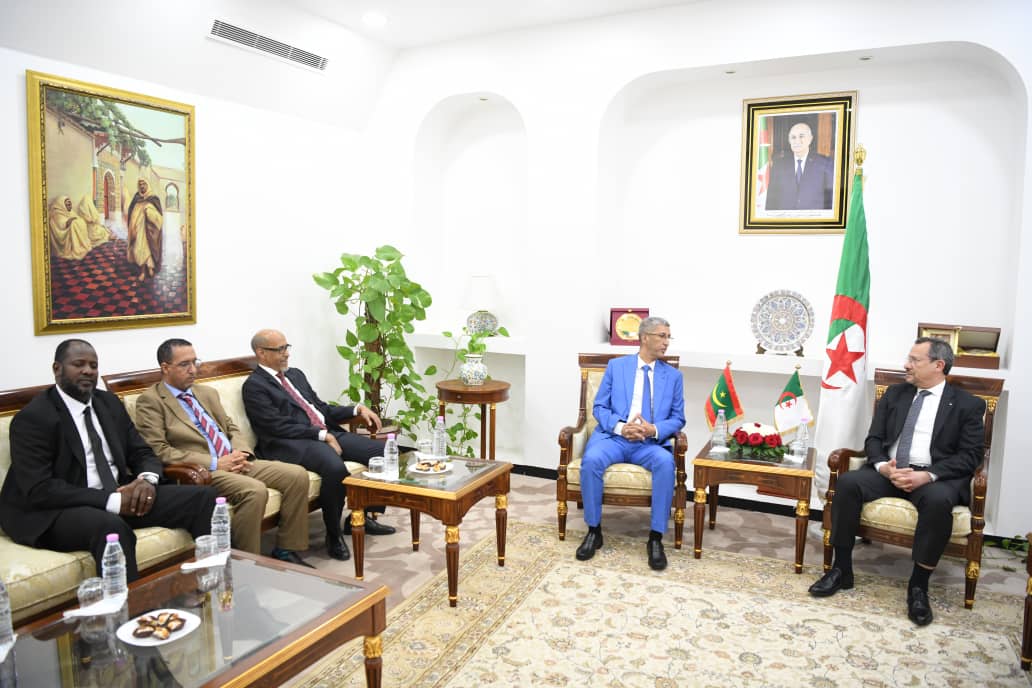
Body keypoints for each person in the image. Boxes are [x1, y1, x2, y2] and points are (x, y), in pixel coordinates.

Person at [0, 339, 216, 581]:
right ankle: (132, 605)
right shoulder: (34, 418)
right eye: (78, 364)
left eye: (93, 366)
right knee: (110, 528)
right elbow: (40, 489)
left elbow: (142, 452)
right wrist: (112, 501)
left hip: (118, 492)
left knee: (204, 498)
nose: (88, 371)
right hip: (58, 508)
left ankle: (212, 583)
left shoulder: (108, 403)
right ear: (57, 369)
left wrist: (146, 480)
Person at [809, 337, 985, 626]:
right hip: (890, 472)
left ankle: (918, 586)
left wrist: (927, 475)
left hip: (932, 477)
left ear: (938, 365)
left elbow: (970, 456)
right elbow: (874, 439)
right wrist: (883, 467)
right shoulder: (895, 394)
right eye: (908, 358)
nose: (906, 365)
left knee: (939, 501)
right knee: (848, 483)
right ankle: (841, 570)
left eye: (915, 360)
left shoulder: (968, 405)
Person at [134, 338, 314, 567]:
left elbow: (230, 427)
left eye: (195, 362)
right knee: (254, 491)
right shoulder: (151, 401)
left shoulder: (206, 392)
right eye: (184, 364)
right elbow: (159, 450)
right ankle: (244, 564)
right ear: (165, 367)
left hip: (235, 459)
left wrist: (241, 452)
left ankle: (287, 550)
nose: (193, 370)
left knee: (296, 475)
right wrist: (215, 462)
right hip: (202, 471)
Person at [241, 329, 396, 562]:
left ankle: (361, 516)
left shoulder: (295, 375)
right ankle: (333, 535)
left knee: (382, 452)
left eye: (286, 347)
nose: (286, 354)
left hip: (322, 434)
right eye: (280, 349)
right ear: (261, 353)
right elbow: (276, 426)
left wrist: (356, 409)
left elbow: (320, 408)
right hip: (290, 443)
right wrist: (321, 435)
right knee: (334, 468)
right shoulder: (255, 386)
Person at [575, 316, 685, 571]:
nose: (666, 342)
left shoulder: (673, 377)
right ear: (644, 337)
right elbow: (599, 407)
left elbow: (678, 418)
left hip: (649, 443)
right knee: (591, 460)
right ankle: (594, 531)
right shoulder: (617, 367)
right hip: (614, 437)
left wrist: (653, 429)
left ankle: (655, 538)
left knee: (666, 463)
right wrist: (621, 427)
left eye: (668, 337)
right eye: (662, 336)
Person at [765, 121, 835, 211]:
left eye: (801, 136)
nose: (797, 141)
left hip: (814, 219)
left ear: (810, 139)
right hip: (785, 218)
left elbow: (830, 199)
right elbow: (771, 199)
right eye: (793, 137)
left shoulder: (825, 163)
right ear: (789, 141)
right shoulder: (779, 165)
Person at [125, 178, 163, 281]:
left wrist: (149, 210)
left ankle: (149, 268)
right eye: (140, 184)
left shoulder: (153, 199)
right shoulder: (136, 198)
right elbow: (131, 211)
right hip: (137, 228)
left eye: (144, 184)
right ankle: (143, 271)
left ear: (147, 185)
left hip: (148, 229)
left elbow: (159, 217)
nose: (142, 186)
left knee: (147, 248)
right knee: (139, 248)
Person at [47, 195, 92, 260]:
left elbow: (76, 217)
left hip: (68, 232)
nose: (70, 206)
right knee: (74, 224)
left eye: (70, 204)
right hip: (62, 236)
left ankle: (80, 245)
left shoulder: (69, 211)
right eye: (68, 205)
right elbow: (62, 225)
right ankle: (75, 248)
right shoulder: (56, 213)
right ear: (62, 205)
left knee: (80, 221)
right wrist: (70, 221)